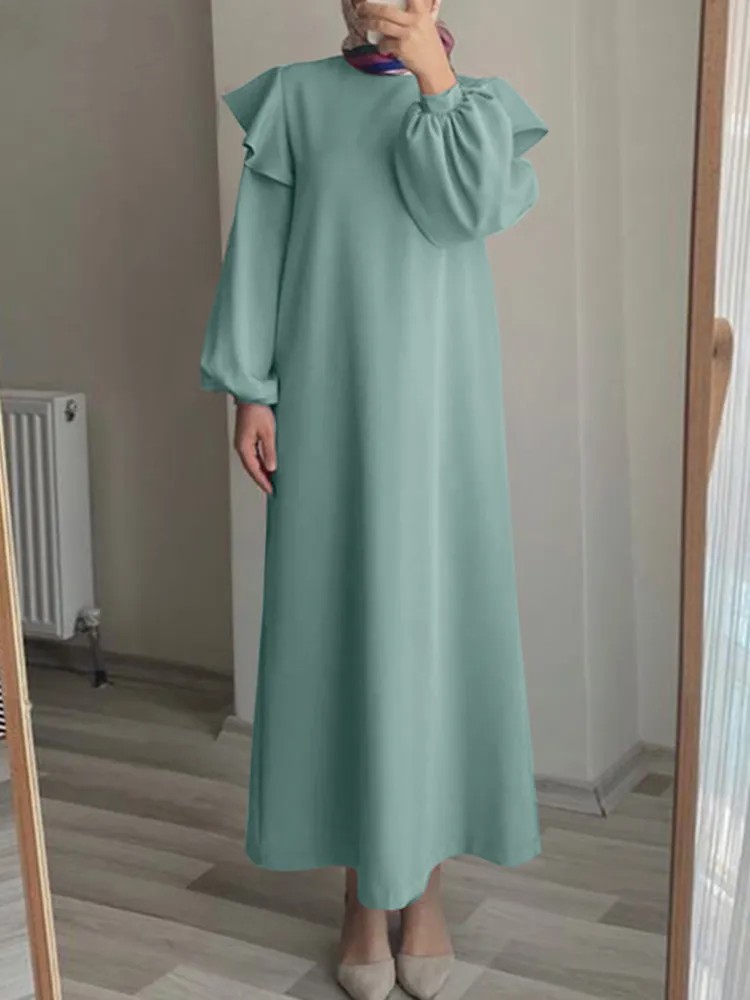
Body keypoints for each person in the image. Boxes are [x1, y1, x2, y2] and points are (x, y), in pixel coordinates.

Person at [200, 1, 548, 997]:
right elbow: (259, 248)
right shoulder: (298, 99)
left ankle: (424, 890)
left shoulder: (477, 108)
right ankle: (362, 898)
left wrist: (433, 71)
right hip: (328, 404)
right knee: (344, 638)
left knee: (431, 643)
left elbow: (466, 209)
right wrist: (251, 390)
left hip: (442, 422)